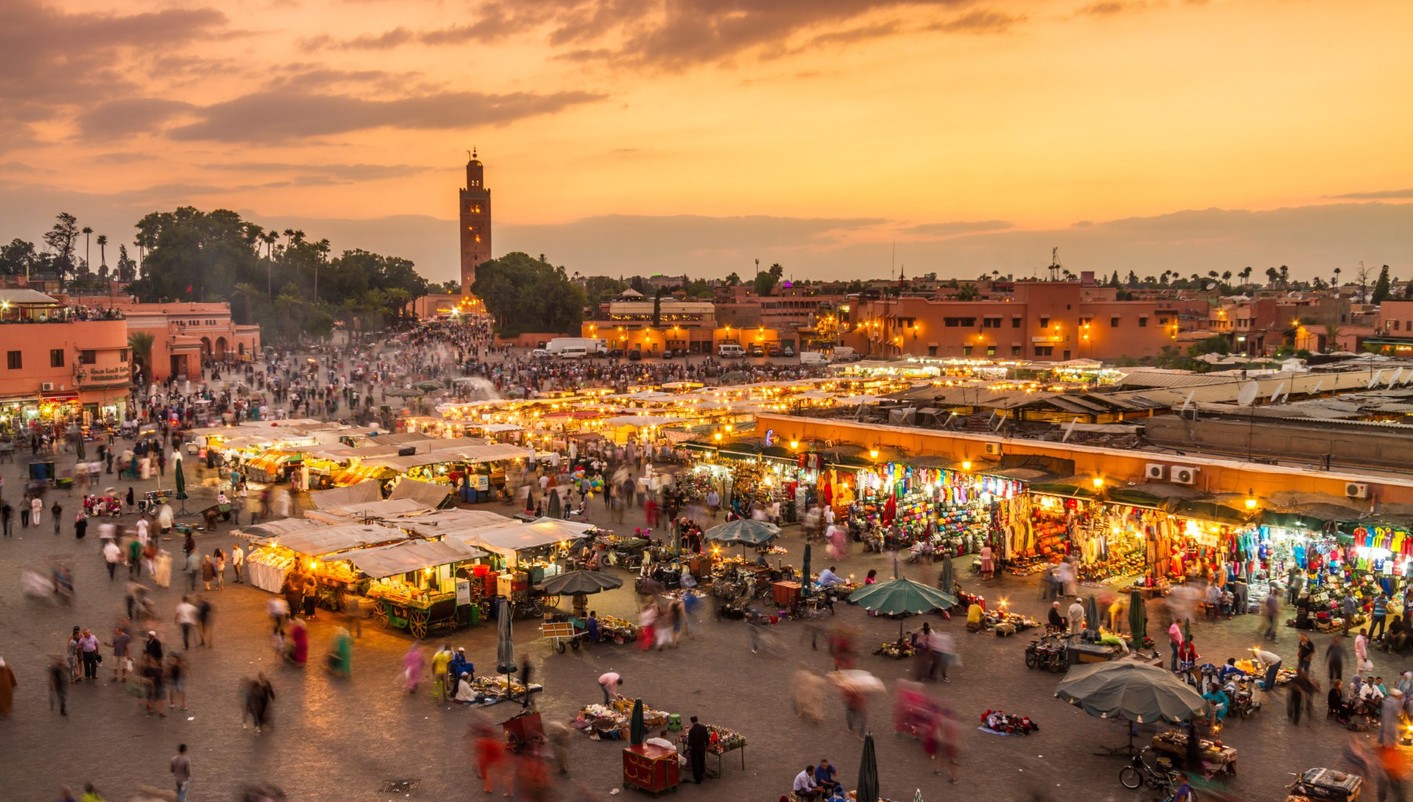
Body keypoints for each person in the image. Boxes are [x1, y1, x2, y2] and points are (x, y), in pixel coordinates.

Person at [687, 715, 709, 784]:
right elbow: (707, 738)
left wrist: (689, 750)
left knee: (695, 763)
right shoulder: (703, 727)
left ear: (691, 722)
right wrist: (707, 745)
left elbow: (690, 742)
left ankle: (698, 779)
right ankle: (702, 774)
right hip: (702, 748)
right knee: (702, 761)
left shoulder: (691, 731)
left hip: (695, 749)